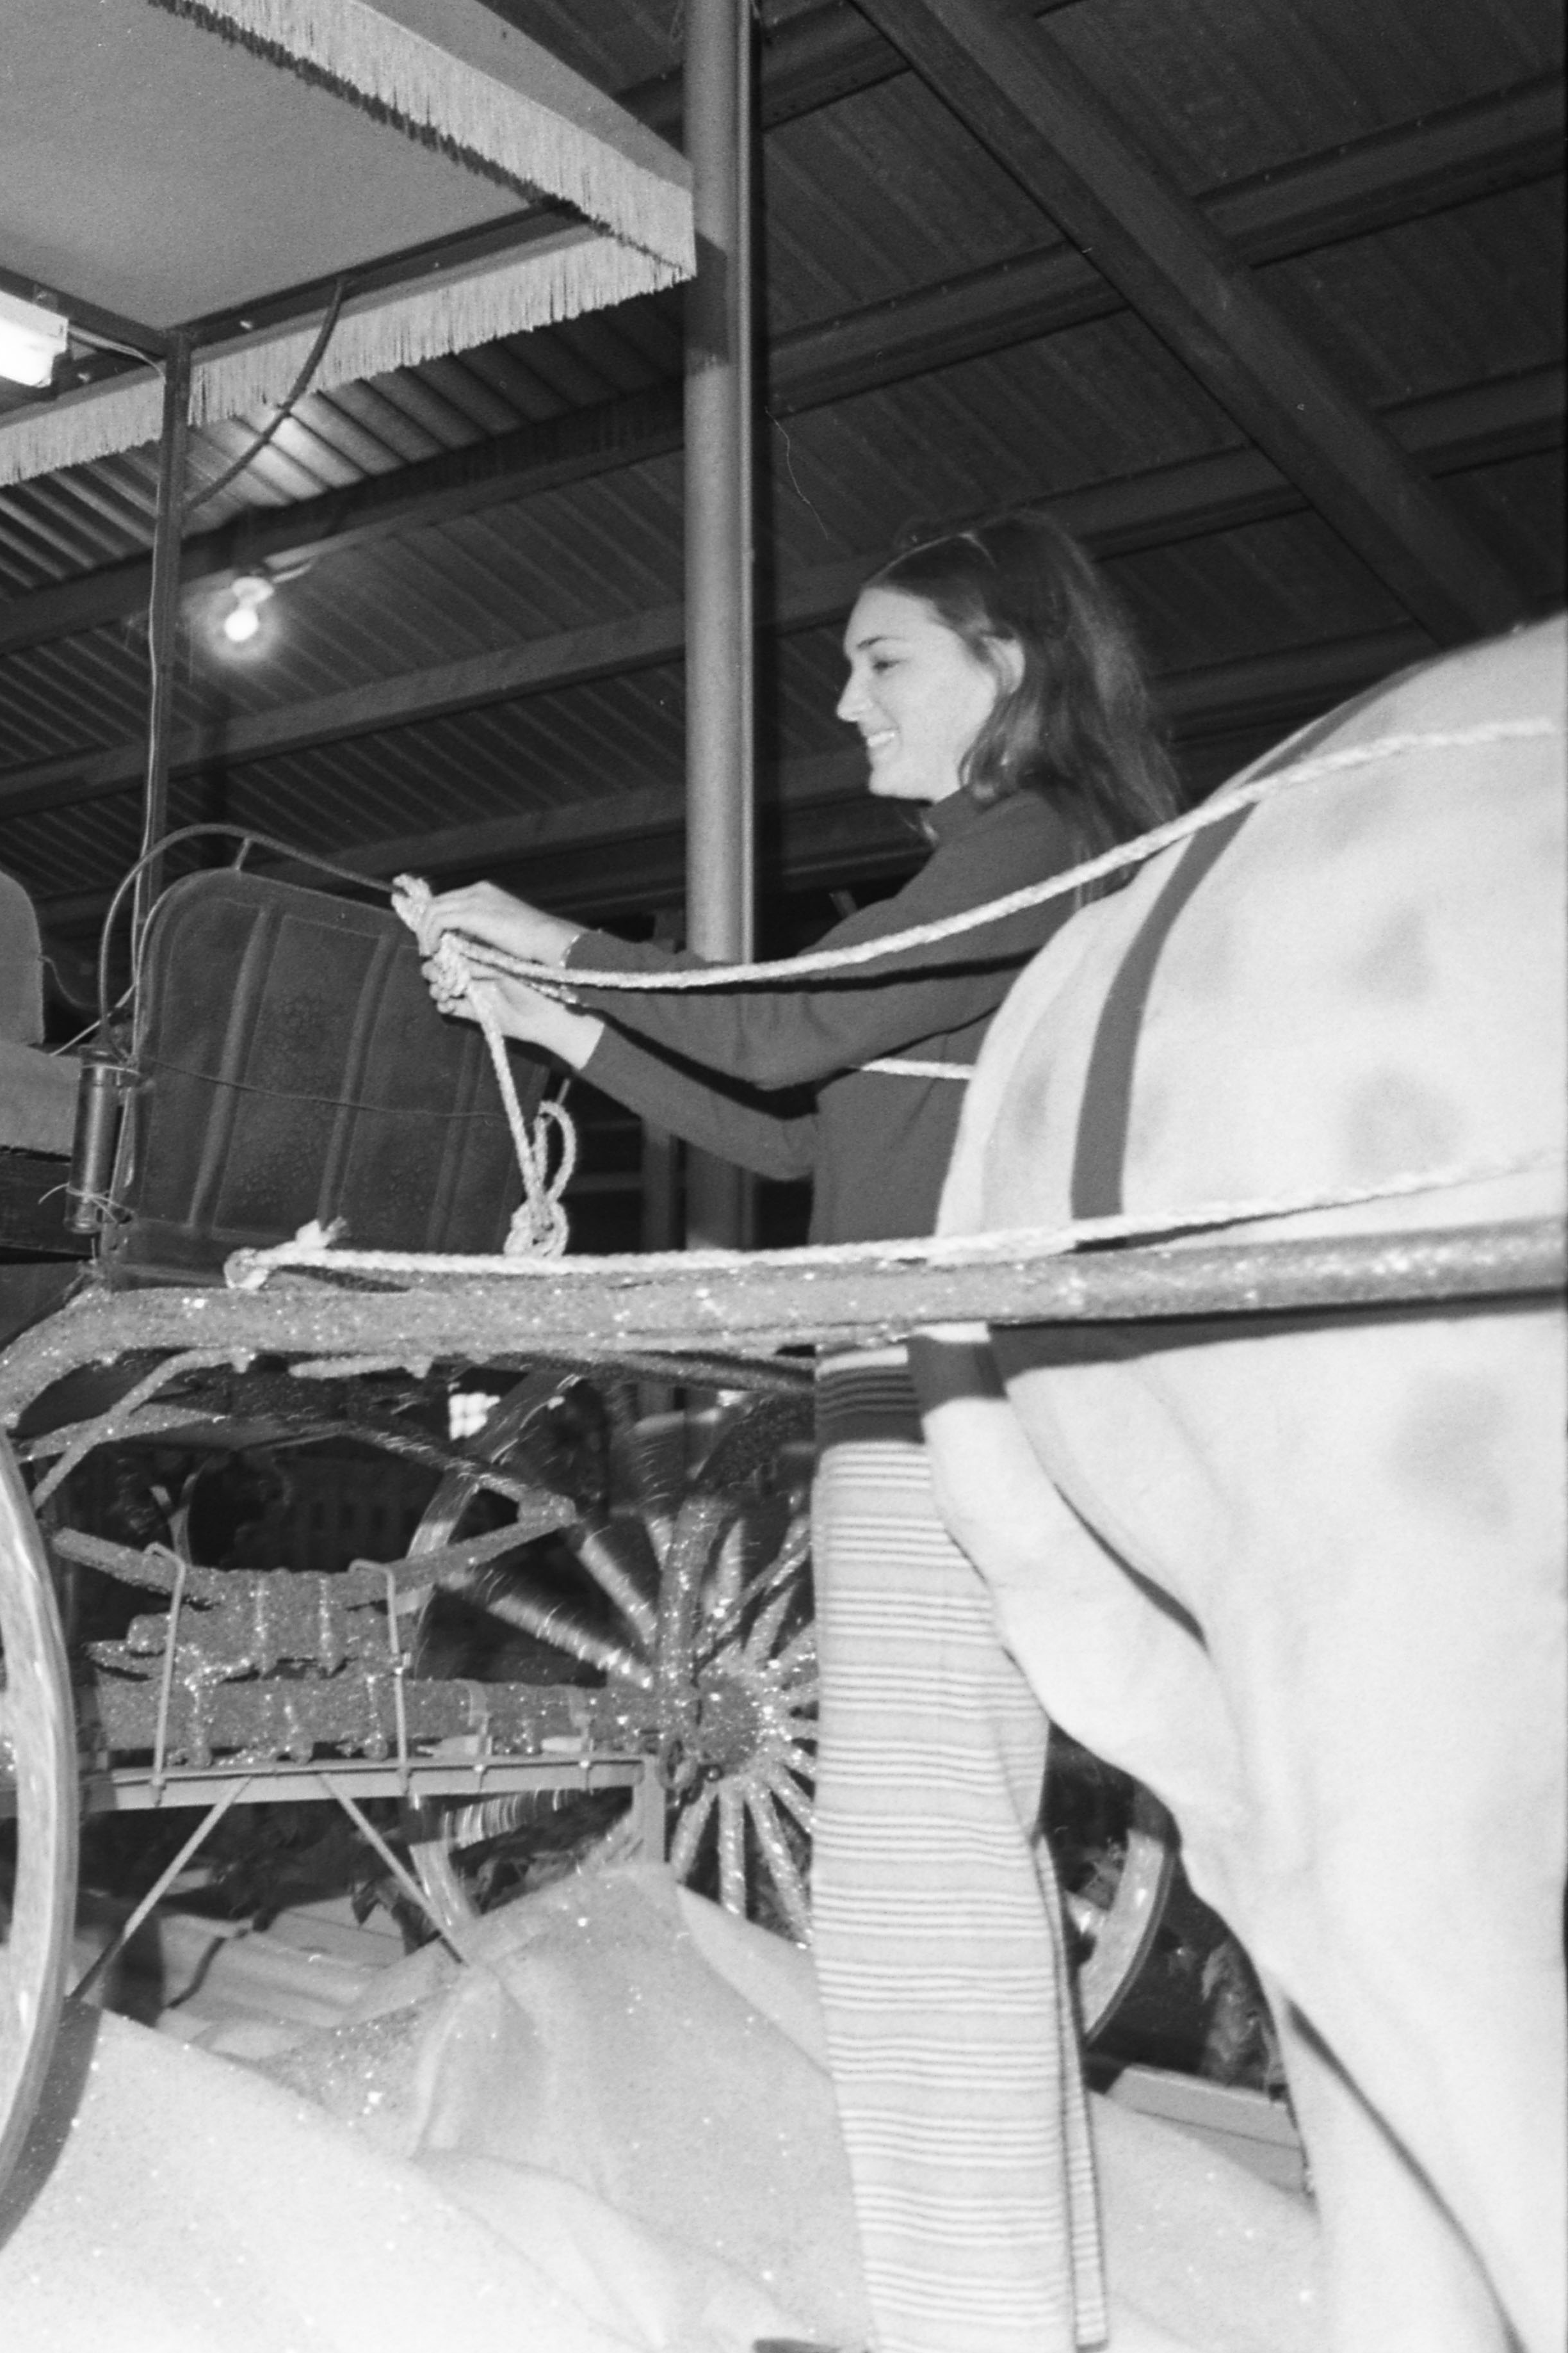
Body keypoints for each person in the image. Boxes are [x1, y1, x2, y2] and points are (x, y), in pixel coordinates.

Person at [406, 510, 1181, 2353]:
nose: (843, 704)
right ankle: (1011, 2309)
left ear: (1013, 663)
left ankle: (966, 2324)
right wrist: (555, 1014)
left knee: (917, 1887)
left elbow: (781, 1035)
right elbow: (792, 1125)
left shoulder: (1033, 844)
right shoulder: (1038, 864)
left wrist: (558, 935)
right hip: (954, 1397)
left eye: (881, 661)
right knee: (948, 1869)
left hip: (931, 1404)